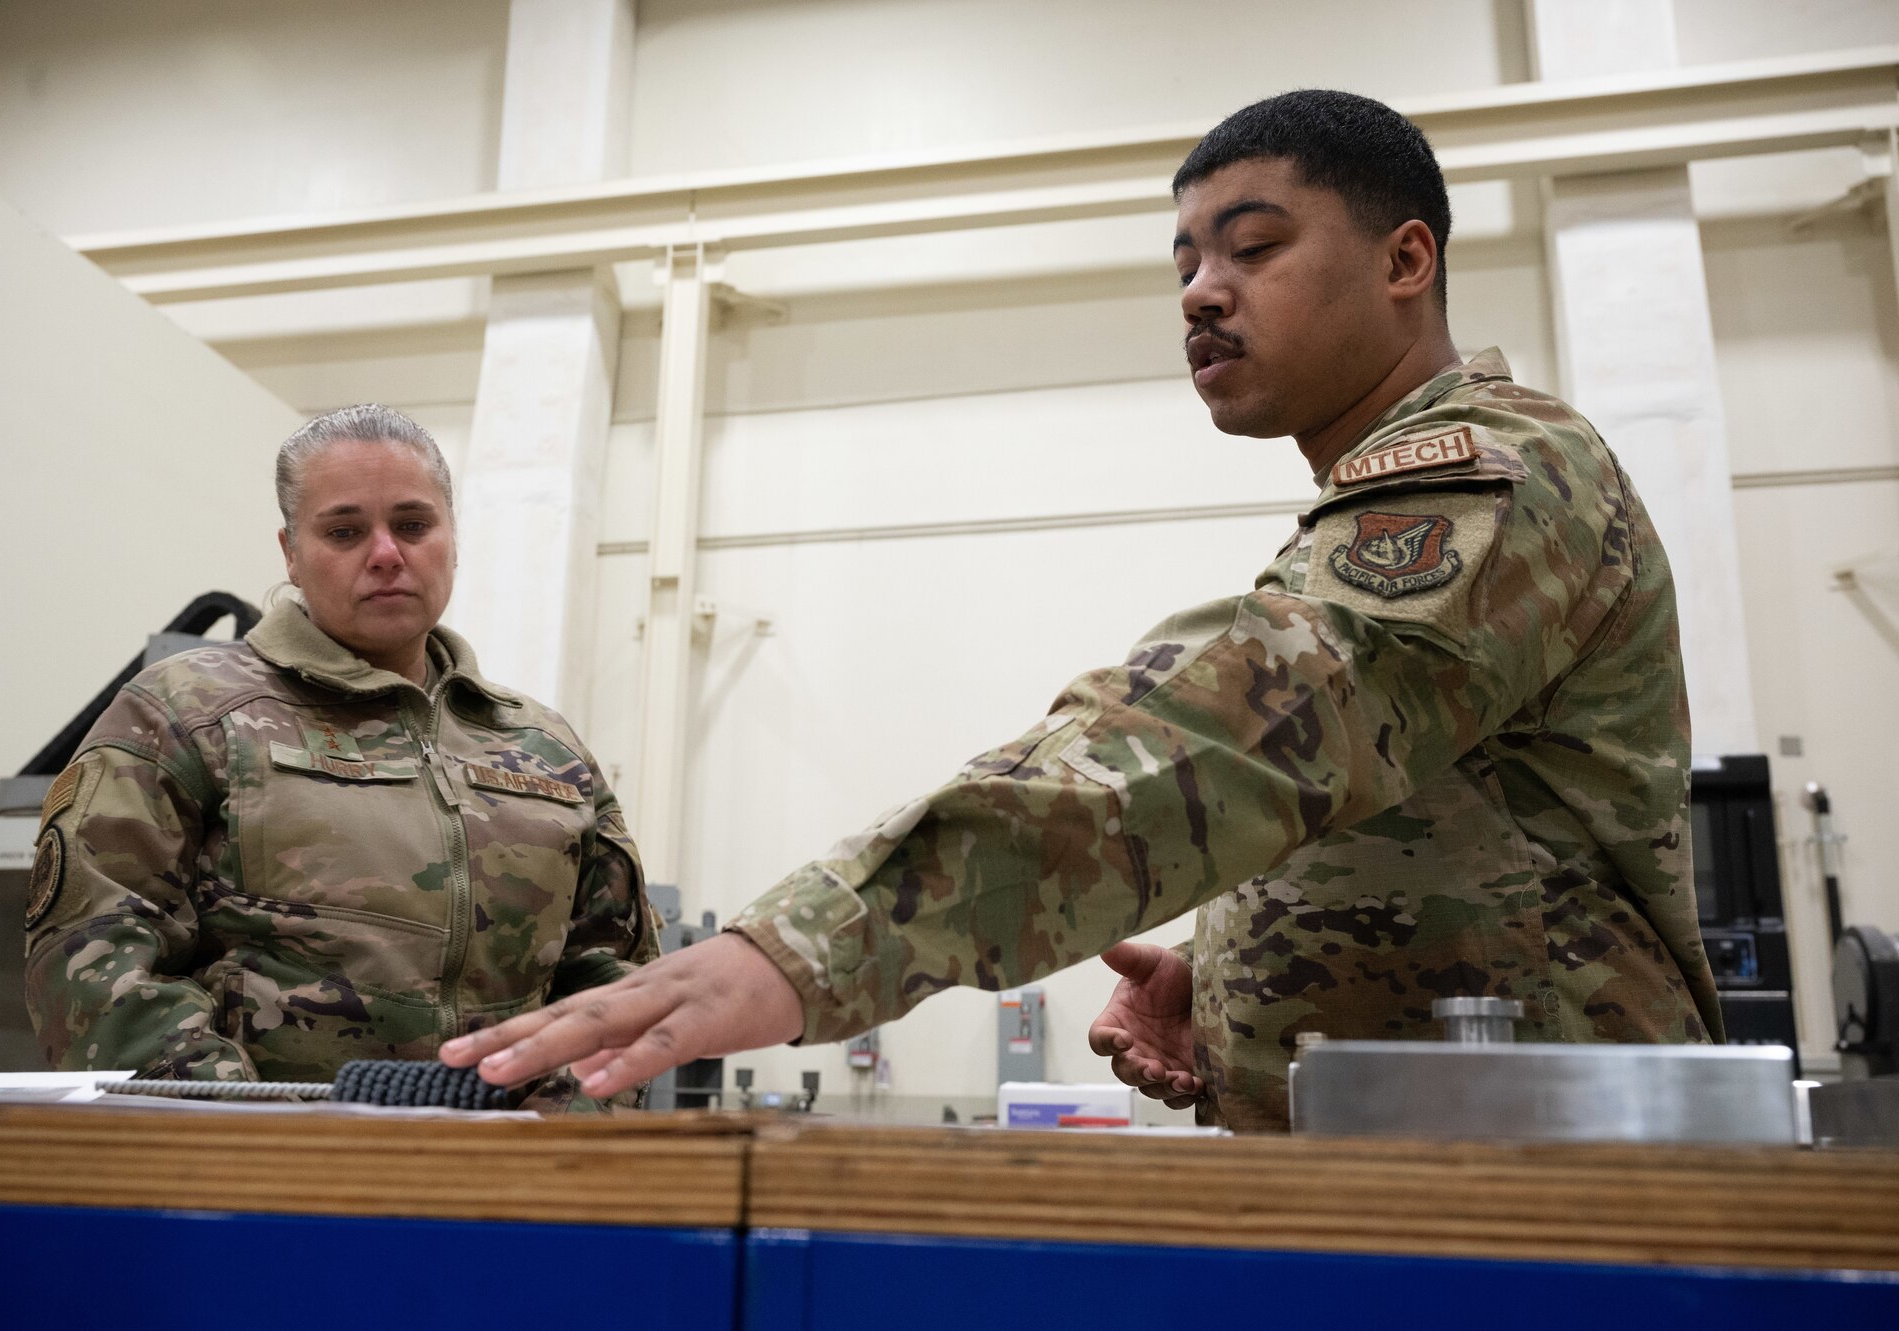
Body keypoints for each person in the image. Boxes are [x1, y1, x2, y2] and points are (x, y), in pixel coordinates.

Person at [441, 91, 1722, 1130]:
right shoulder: (1390, 500)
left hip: (1554, 1186)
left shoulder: (1496, 477)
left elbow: (1228, 734)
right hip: (1415, 1162)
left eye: (1253, 246)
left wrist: (800, 950)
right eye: (1185, 260)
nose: (1200, 291)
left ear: (1404, 259)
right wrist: (1229, 989)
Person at [25, 404, 655, 1109]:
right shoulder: (184, 711)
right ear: (291, 551)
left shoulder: (546, 749)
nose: (386, 552)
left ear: (452, 538)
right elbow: (95, 961)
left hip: (511, 1179)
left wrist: (567, 1134)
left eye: (414, 525)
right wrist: (257, 1138)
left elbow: (613, 980)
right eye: (345, 531)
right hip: (265, 1182)